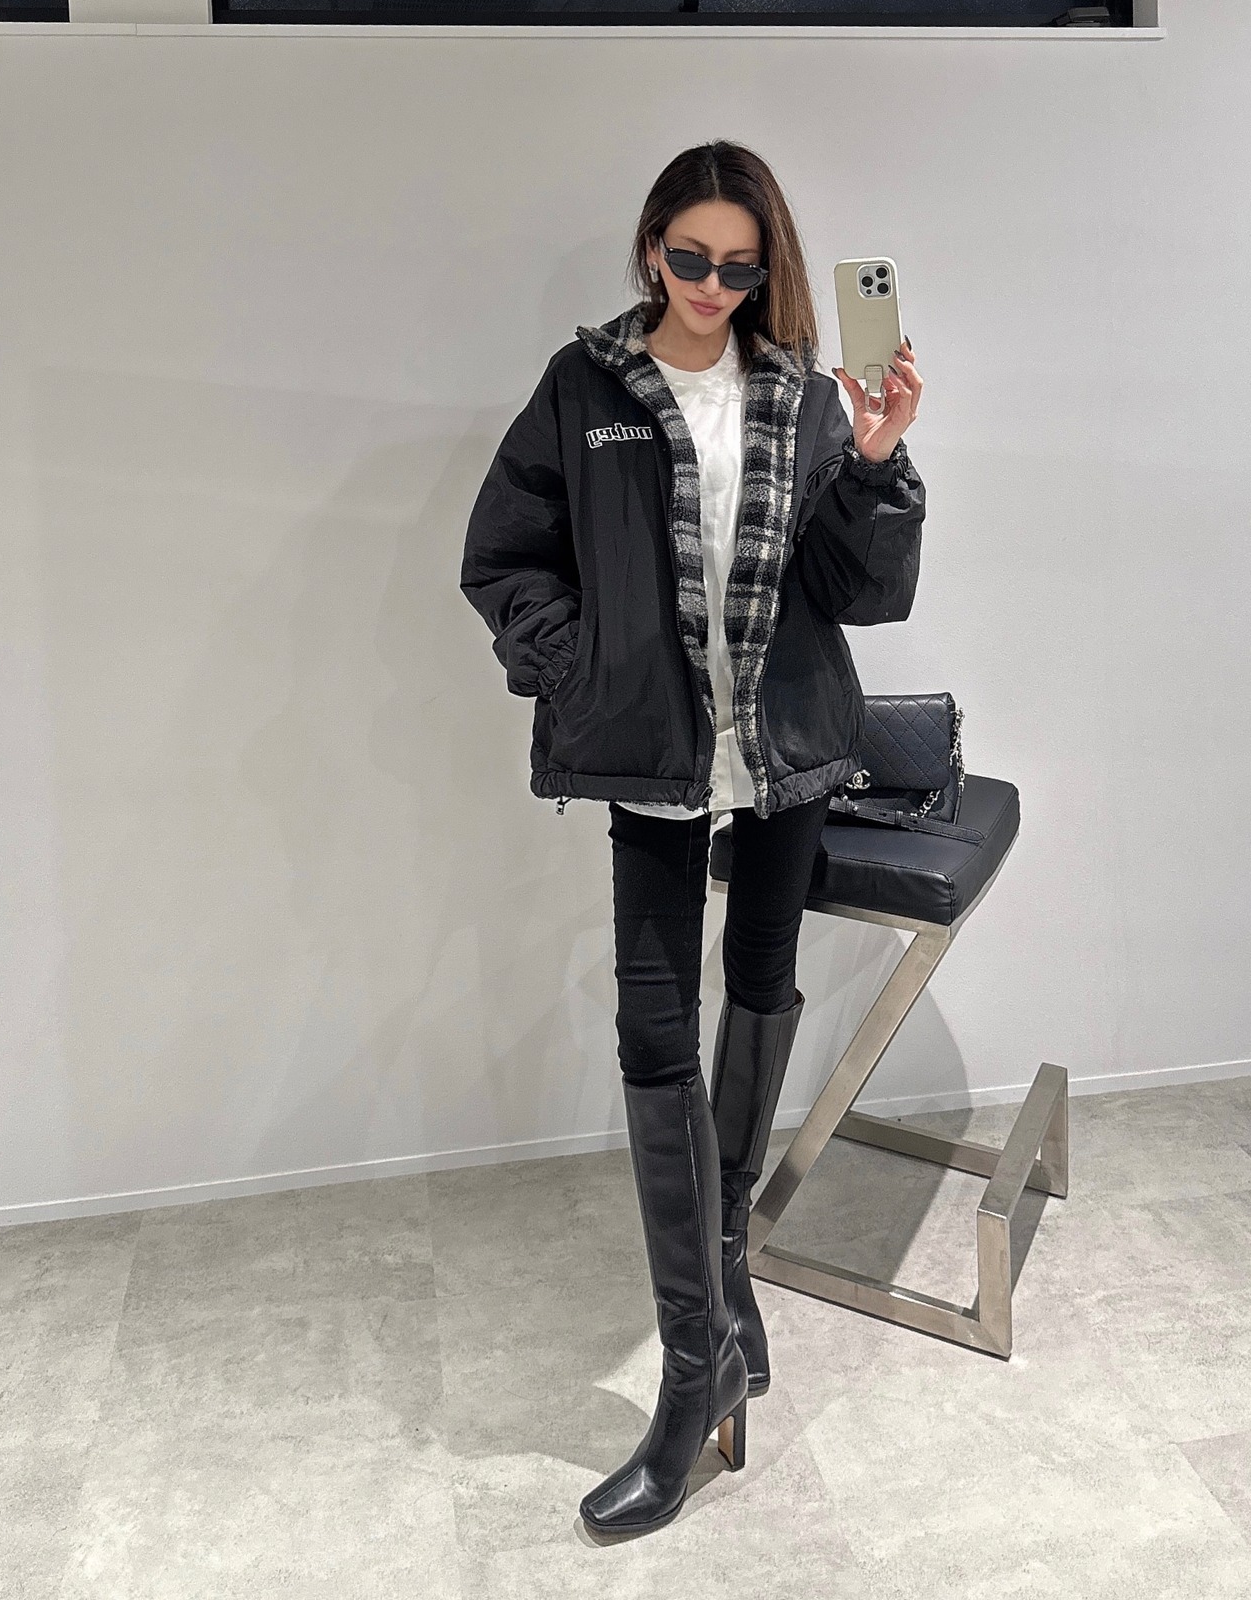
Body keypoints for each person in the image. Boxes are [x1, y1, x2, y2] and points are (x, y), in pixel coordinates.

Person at [460, 139, 925, 1538]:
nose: (712, 286)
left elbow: (862, 593)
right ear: (651, 248)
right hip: (652, 759)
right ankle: (691, 1369)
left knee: (761, 990)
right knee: (654, 1035)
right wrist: (581, 672)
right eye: (688, 259)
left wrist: (878, 463)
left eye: (739, 265)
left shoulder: (806, 394)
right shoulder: (588, 386)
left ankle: (722, 1297)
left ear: (766, 267)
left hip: (787, 753)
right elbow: (504, 556)